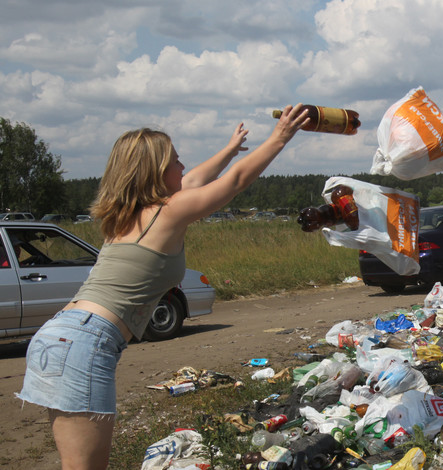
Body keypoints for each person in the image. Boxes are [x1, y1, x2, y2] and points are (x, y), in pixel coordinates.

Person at [17, 103, 311, 469]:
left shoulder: (126, 214)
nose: (183, 166)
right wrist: (280, 137)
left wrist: (229, 150)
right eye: (175, 160)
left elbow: (195, 180)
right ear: (156, 171)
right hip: (86, 344)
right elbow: (233, 183)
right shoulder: (166, 212)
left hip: (58, 337)